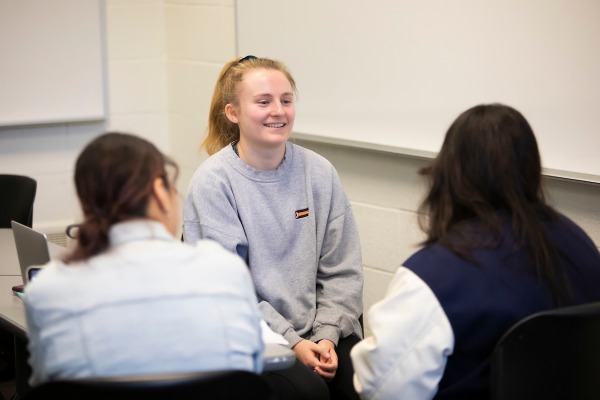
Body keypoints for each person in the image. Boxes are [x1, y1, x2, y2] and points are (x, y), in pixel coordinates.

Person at [350, 103, 600, 400]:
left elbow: (381, 388)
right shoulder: (581, 245)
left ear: (450, 172)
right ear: (531, 167)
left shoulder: (435, 275)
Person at [183, 55, 364, 400]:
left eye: (286, 100)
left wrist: (326, 335)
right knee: (308, 393)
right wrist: (293, 342)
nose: (278, 111)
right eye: (263, 102)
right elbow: (228, 291)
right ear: (233, 113)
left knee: (370, 383)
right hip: (255, 336)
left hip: (321, 332)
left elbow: (343, 270)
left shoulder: (319, 172)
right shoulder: (214, 183)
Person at [24, 132, 264, 386]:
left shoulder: (47, 290)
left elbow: (47, 387)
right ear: (160, 191)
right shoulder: (225, 270)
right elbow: (251, 371)